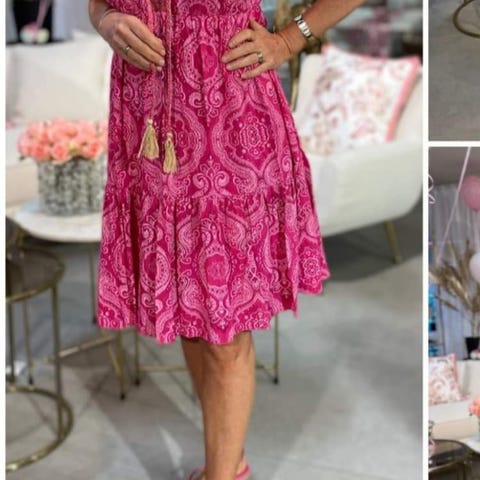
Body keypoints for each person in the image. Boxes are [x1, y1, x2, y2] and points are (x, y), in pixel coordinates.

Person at [88, 0, 363, 479]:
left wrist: (289, 39)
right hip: (145, 117)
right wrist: (107, 21)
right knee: (192, 315)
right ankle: (227, 464)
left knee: (224, 330)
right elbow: (98, 4)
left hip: (228, 114)